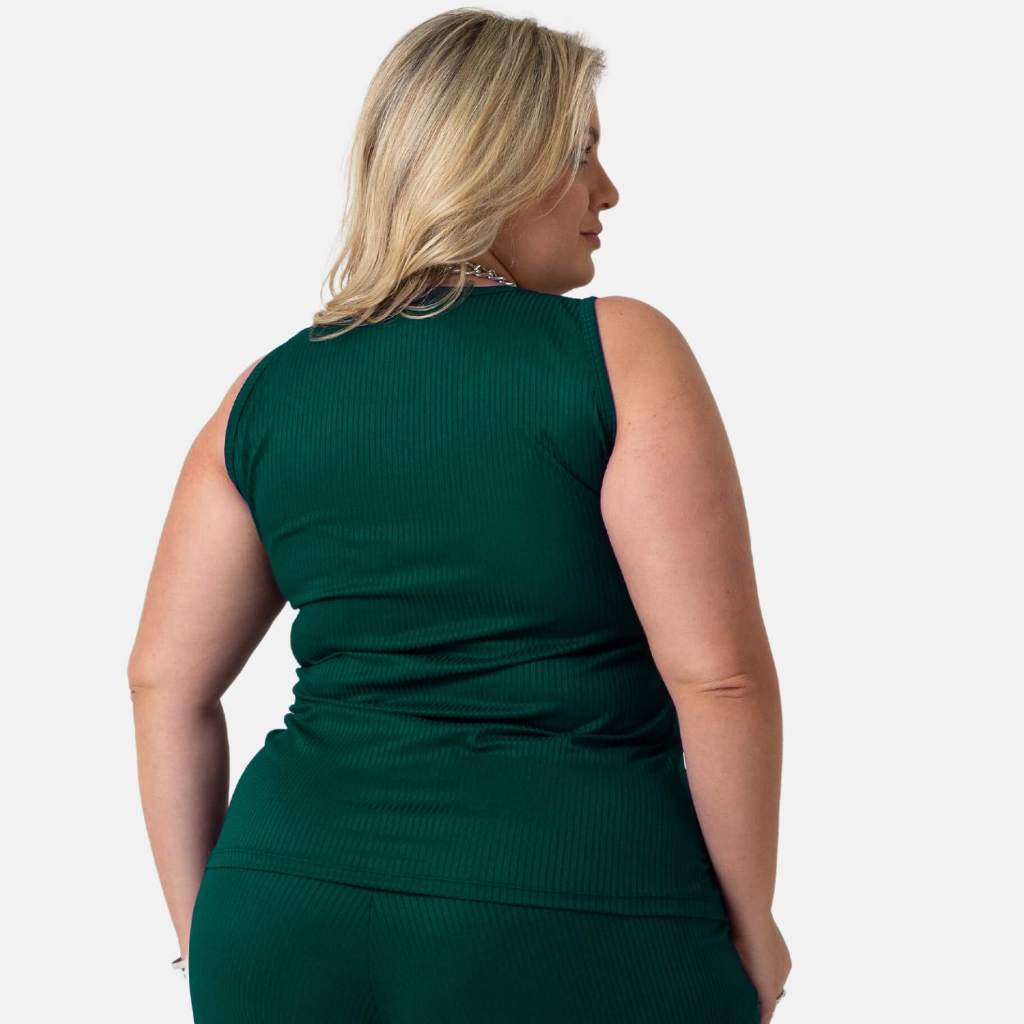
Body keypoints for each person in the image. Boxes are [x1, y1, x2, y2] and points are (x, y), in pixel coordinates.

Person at [128, 9, 791, 1023]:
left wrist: (207, 929)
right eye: (579, 154)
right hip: (576, 909)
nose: (607, 191)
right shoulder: (616, 354)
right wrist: (750, 923)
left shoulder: (266, 392)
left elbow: (163, 682)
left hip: (284, 903)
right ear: (497, 162)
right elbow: (719, 677)